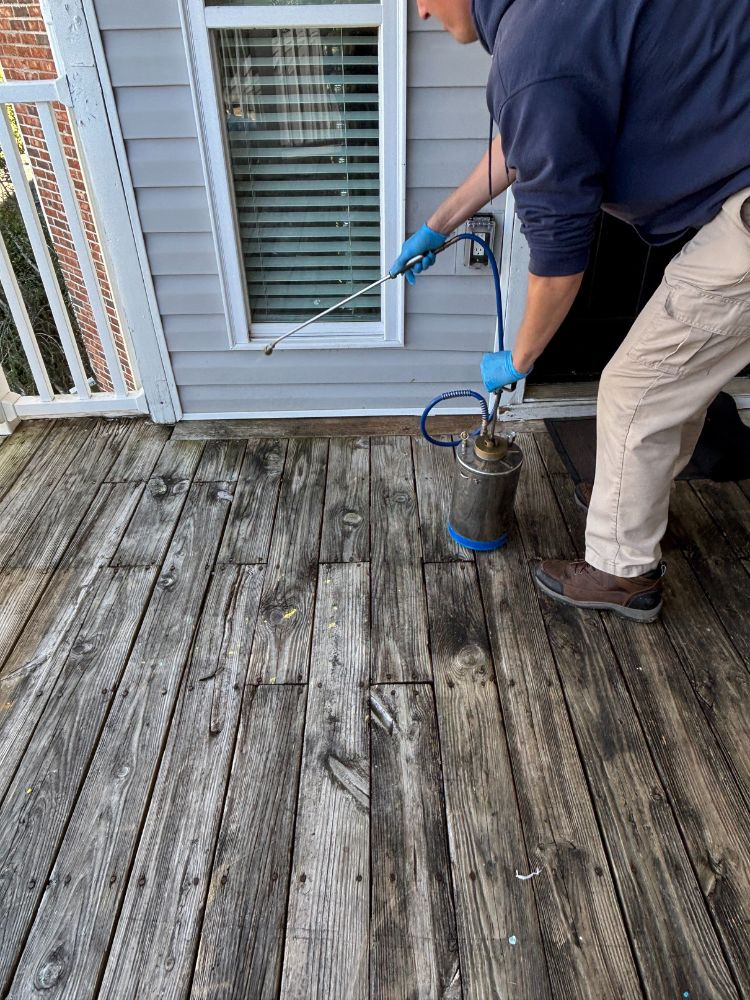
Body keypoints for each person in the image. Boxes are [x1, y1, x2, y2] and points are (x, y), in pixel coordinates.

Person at [391, 0, 750, 622]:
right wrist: (438, 224)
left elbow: (558, 259)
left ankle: (621, 573)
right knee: (672, 381)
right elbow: (524, 140)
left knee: (635, 389)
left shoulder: (533, 51)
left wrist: (521, 357)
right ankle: (636, 499)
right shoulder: (544, 24)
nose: (420, 12)